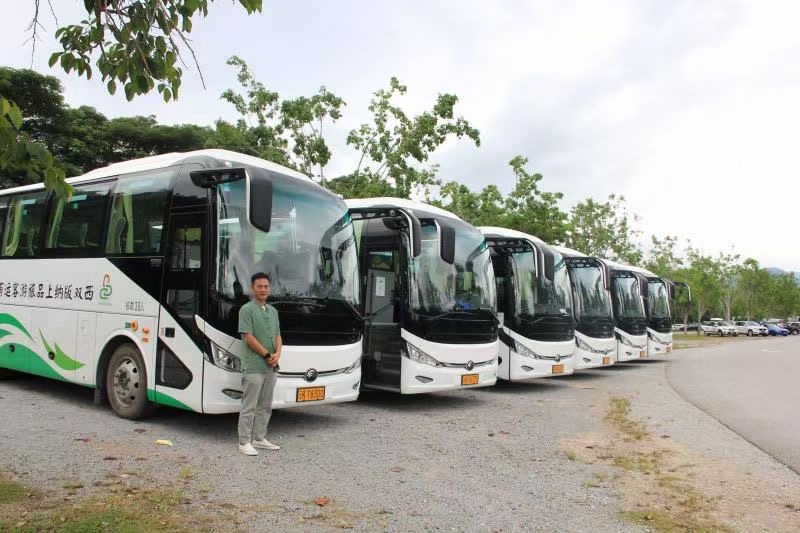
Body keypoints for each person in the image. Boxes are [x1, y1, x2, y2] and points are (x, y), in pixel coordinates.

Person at [237, 272, 282, 456]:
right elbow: (248, 337)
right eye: (259, 286)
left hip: (271, 366)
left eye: (266, 286)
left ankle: (259, 438)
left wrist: (277, 354)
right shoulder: (246, 310)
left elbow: (278, 335)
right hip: (254, 366)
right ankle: (244, 442)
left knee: (265, 404)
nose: (263, 289)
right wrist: (267, 354)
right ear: (252, 288)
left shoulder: (273, 311)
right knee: (249, 405)